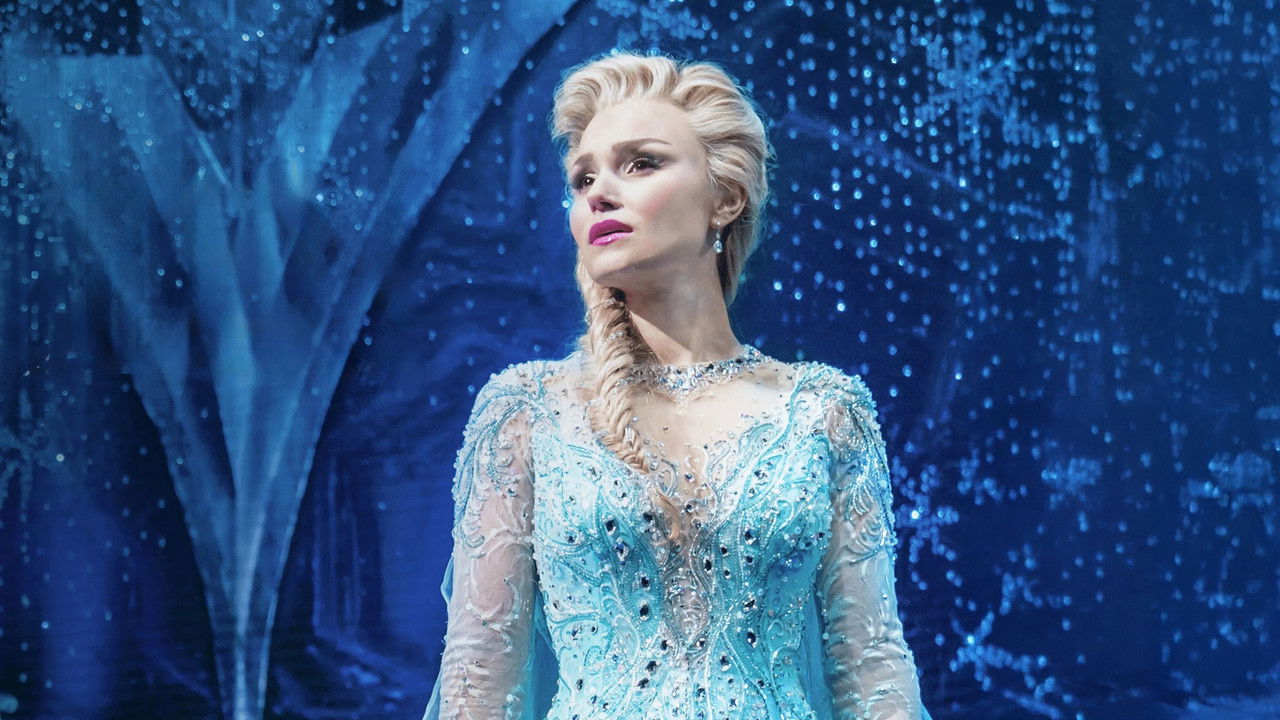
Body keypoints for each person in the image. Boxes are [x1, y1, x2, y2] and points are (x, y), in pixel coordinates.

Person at [421, 50, 933, 720]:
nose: (599, 192)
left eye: (641, 163)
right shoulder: (527, 413)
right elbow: (476, 681)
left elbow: (873, 671)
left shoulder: (824, 413)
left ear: (726, 197)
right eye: (582, 178)